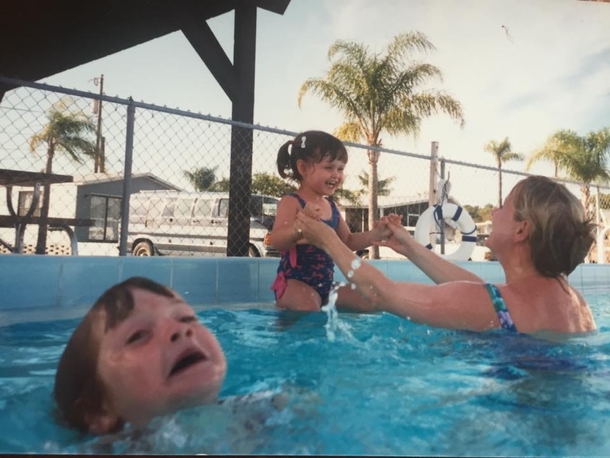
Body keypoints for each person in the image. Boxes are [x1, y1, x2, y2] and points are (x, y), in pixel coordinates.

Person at [294, 175, 597, 335]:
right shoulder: (575, 303)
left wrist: (328, 240)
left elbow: (382, 295)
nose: (493, 211)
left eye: (503, 206)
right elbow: (483, 295)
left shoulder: (497, 304)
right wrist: (410, 247)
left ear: (522, 231)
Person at [54, 277, 227, 434]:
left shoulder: (250, 412)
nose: (181, 330)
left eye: (186, 318)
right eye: (138, 335)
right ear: (98, 410)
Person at [269, 130, 395, 312]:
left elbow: (347, 241)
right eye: (329, 168)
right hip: (293, 283)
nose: (336, 175)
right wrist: (300, 228)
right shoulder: (292, 202)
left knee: (370, 302)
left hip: (325, 284)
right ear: (303, 168)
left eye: (341, 169)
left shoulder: (332, 206)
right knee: (308, 308)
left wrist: (377, 234)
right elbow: (278, 240)